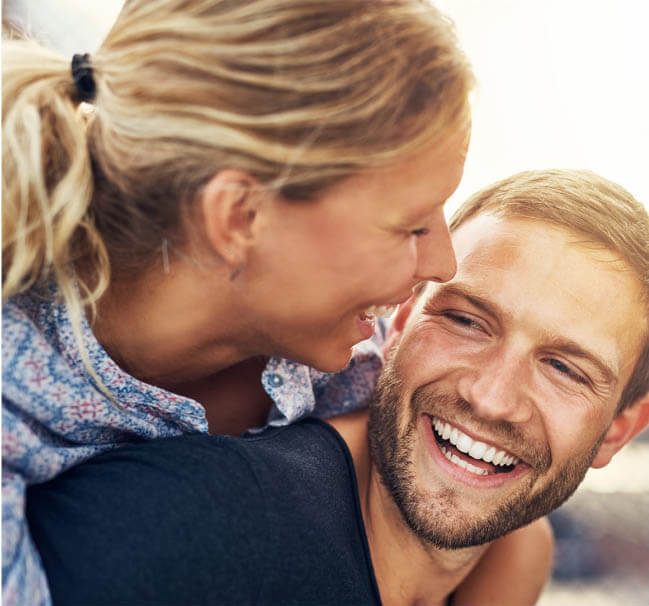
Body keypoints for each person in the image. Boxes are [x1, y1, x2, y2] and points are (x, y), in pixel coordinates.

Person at [1, 1, 475, 603]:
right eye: (411, 227)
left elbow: (515, 534)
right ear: (238, 216)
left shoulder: (340, 359)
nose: (444, 265)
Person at [25, 169, 649, 605]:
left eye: (564, 368)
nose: (491, 398)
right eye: (464, 320)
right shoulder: (195, 524)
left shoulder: (512, 550)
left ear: (619, 428)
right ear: (399, 318)